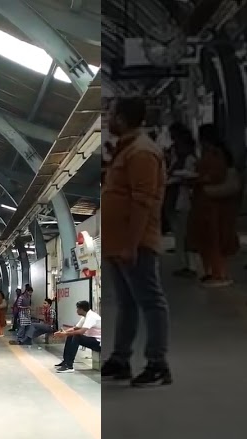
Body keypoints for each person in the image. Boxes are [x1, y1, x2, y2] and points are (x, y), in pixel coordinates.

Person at [102, 96, 173, 386]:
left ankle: (158, 364)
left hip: (135, 243)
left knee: (151, 302)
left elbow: (142, 203)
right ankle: (121, 359)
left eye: (110, 114)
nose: (107, 120)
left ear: (121, 118)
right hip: (118, 243)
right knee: (127, 303)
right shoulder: (126, 150)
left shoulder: (142, 153)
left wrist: (131, 244)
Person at [187, 123, 241, 288]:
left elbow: (213, 176)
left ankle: (218, 274)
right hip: (216, 204)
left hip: (210, 205)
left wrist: (197, 179)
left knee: (212, 238)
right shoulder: (222, 153)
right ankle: (214, 272)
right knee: (214, 238)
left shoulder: (213, 154)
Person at [164, 123, 200, 278]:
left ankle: (189, 265)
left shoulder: (189, 159)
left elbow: (191, 176)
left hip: (182, 199)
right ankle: (184, 264)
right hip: (173, 198)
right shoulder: (176, 156)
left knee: (184, 234)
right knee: (179, 234)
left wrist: (175, 176)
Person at [53, 301, 101, 373]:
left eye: (77, 309)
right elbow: (75, 328)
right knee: (71, 335)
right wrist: (64, 332)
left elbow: (81, 331)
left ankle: (69, 366)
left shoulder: (91, 317)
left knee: (76, 336)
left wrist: (65, 334)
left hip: (99, 343)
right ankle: (66, 361)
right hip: (93, 340)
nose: (76, 311)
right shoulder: (85, 316)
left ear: (81, 309)